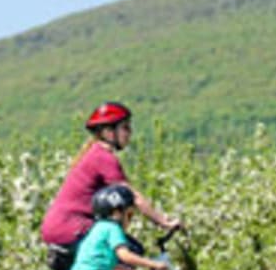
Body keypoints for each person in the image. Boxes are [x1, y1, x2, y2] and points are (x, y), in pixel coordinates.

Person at [39, 101, 180, 257]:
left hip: (64, 227)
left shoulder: (95, 153)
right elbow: (133, 196)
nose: (130, 133)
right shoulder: (103, 158)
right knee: (129, 252)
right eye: (125, 127)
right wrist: (162, 221)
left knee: (127, 255)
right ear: (108, 132)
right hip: (69, 228)